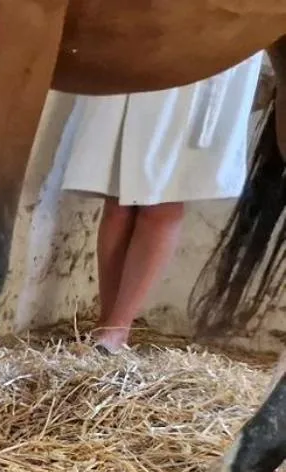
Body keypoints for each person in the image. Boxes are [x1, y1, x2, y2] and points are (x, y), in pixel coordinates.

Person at [58, 55, 267, 354]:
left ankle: (118, 329)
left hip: (198, 51)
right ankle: (105, 325)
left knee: (161, 194)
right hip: (137, 41)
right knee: (117, 197)